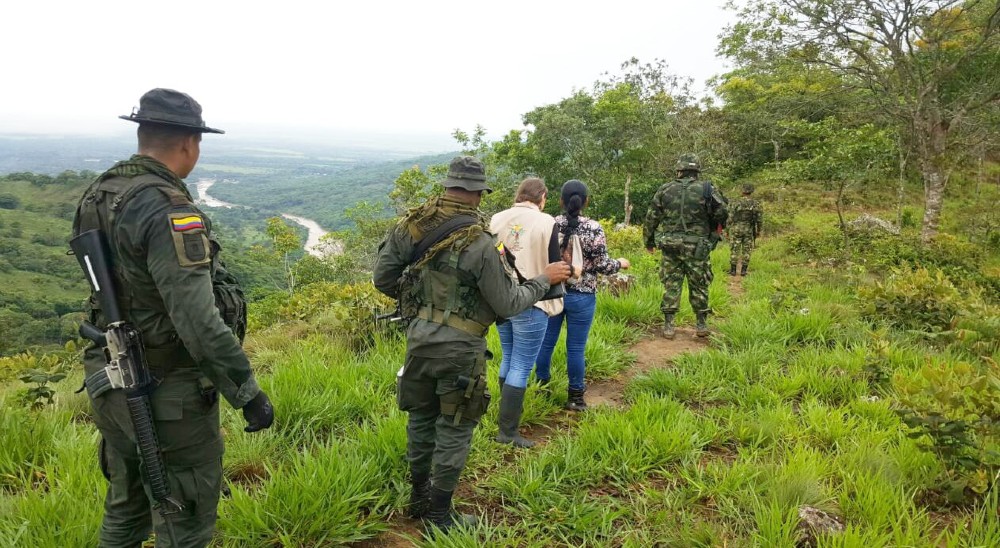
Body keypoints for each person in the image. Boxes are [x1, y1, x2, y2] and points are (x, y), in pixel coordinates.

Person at [72, 88, 274, 547]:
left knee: (126, 509)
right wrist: (246, 392)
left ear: (144, 134)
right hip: (164, 391)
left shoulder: (100, 192)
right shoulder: (167, 207)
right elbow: (198, 320)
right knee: (185, 520)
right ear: (189, 143)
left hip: (110, 379)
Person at [373, 156, 570, 533]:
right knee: (455, 426)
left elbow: (383, 280)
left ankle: (418, 498)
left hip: (418, 340)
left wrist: (423, 305)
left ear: (448, 185)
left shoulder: (410, 226)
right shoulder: (480, 243)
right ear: (479, 194)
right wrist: (544, 279)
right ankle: (439, 515)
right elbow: (508, 303)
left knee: (421, 418)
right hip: (460, 348)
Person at [535, 180, 630, 411]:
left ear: (561, 201)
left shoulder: (550, 224)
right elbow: (603, 265)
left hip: (553, 293)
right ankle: (575, 398)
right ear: (586, 201)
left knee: (546, 343)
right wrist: (620, 263)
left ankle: (541, 389)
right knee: (576, 347)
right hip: (583, 295)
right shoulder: (594, 228)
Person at [489, 177, 563, 448]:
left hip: (501, 301)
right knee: (521, 363)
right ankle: (507, 432)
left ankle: (505, 419)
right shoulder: (547, 222)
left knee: (509, 356)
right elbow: (555, 265)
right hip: (532, 300)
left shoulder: (496, 219)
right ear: (541, 197)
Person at [643, 153, 728, 339]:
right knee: (699, 284)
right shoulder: (707, 189)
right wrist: (713, 230)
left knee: (671, 284)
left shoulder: (665, 189)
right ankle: (701, 324)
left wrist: (649, 241)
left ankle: (669, 326)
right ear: (697, 170)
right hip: (697, 246)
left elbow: (651, 217)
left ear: (679, 170)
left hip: (670, 245)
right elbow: (722, 212)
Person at [727, 183, 763, 276]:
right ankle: (743, 271)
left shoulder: (735, 202)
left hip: (736, 229)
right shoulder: (756, 203)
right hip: (749, 229)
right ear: (751, 191)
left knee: (735, 249)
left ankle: (733, 270)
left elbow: (730, 217)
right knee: (747, 250)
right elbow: (759, 219)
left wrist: (727, 230)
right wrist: (759, 230)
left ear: (742, 190)